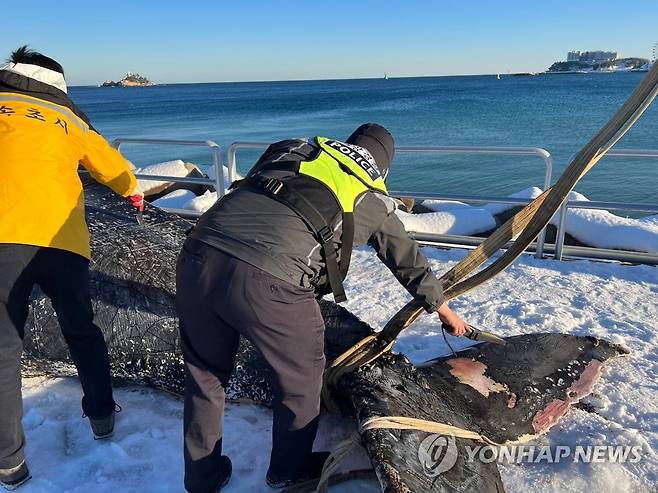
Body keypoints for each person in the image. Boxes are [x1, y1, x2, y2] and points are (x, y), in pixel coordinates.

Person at [176, 123, 470, 491]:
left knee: (205, 373)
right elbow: (407, 259)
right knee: (303, 375)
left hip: (197, 254)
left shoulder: (293, 147)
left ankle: (201, 477)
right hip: (272, 279)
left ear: (348, 144)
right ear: (384, 168)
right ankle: (289, 468)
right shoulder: (372, 196)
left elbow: (260, 192)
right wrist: (442, 308)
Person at [0, 46, 143, 490]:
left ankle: (9, 461)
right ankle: (101, 417)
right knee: (82, 330)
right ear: (58, 84)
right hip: (64, 244)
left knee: (4, 350)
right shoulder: (70, 119)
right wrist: (134, 193)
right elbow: (116, 172)